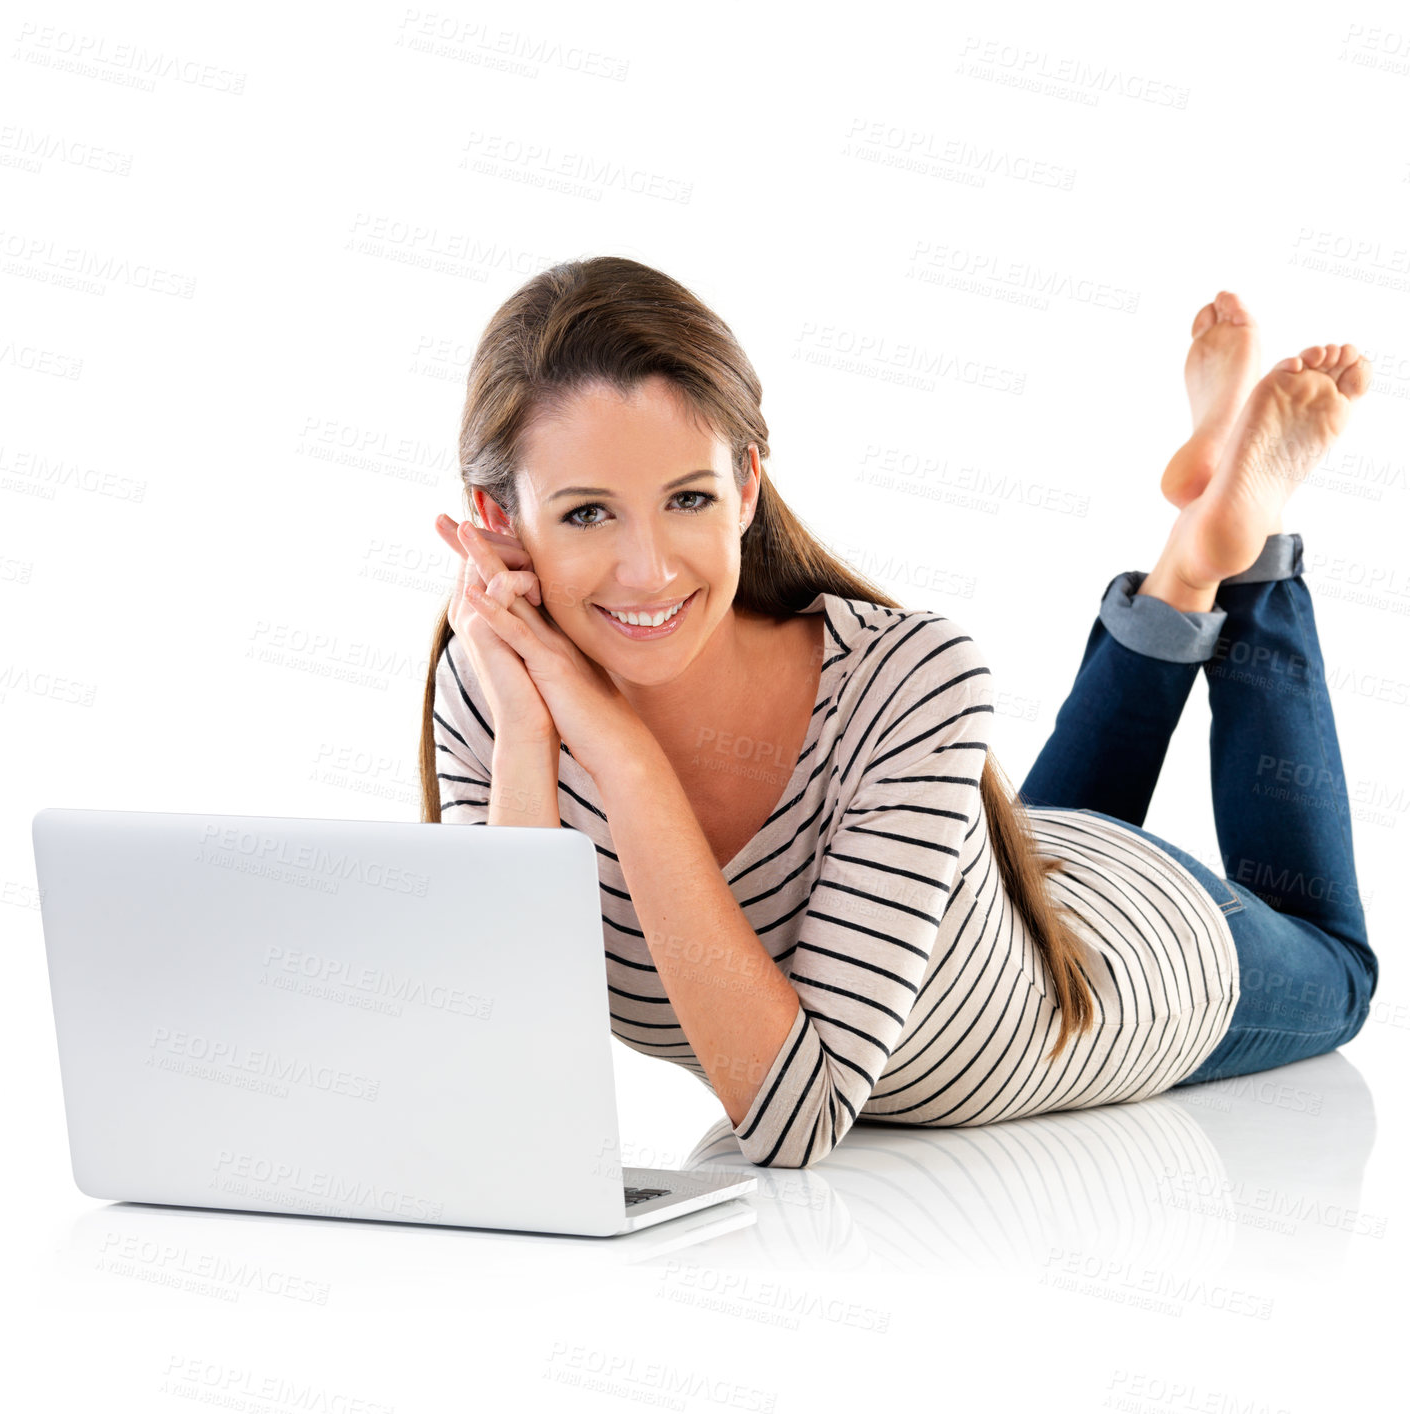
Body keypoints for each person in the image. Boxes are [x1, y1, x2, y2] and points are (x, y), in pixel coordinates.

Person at [417, 259, 1378, 1169]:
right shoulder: (498, 691)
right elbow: (512, 1061)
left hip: (1124, 960)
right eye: (587, 513)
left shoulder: (910, 674)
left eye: (687, 497)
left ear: (746, 486)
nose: (650, 568)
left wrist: (622, 755)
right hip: (991, 888)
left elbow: (798, 1121)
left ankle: (1248, 548)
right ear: (497, 519)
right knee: (1021, 851)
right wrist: (533, 734)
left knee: (1338, 974)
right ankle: (1193, 553)